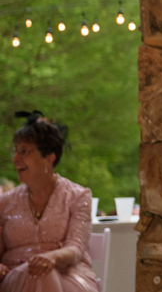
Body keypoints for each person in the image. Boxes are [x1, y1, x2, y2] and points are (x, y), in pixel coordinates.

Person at [0, 112, 99, 292]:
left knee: (45, 273)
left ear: (49, 157)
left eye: (25, 151)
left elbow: (75, 248)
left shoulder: (78, 196)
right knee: (41, 274)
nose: (15, 159)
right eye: (15, 150)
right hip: (17, 280)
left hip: (70, 277)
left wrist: (52, 258)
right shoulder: (4, 202)